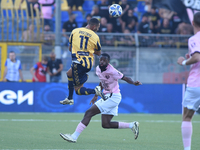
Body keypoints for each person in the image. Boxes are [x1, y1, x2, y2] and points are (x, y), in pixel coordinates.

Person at [59, 53, 141, 143]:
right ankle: (132, 125)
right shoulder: (98, 69)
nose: (102, 62)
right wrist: (96, 95)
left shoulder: (112, 71)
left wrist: (133, 83)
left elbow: (125, 78)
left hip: (113, 97)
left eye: (104, 60)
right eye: (101, 60)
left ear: (108, 62)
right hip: (108, 96)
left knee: (88, 113)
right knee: (106, 124)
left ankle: (74, 137)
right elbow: (102, 81)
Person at [59, 18, 107, 105]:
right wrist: (90, 50)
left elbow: (70, 48)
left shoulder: (75, 31)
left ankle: (95, 91)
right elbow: (99, 53)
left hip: (78, 63)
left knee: (78, 90)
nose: (98, 29)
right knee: (69, 73)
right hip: (88, 64)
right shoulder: (95, 36)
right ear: (93, 26)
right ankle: (70, 98)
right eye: (98, 27)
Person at [177, 12, 200, 150]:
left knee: (186, 117)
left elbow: (197, 57)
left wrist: (185, 61)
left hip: (196, 83)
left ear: (193, 23)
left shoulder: (194, 38)